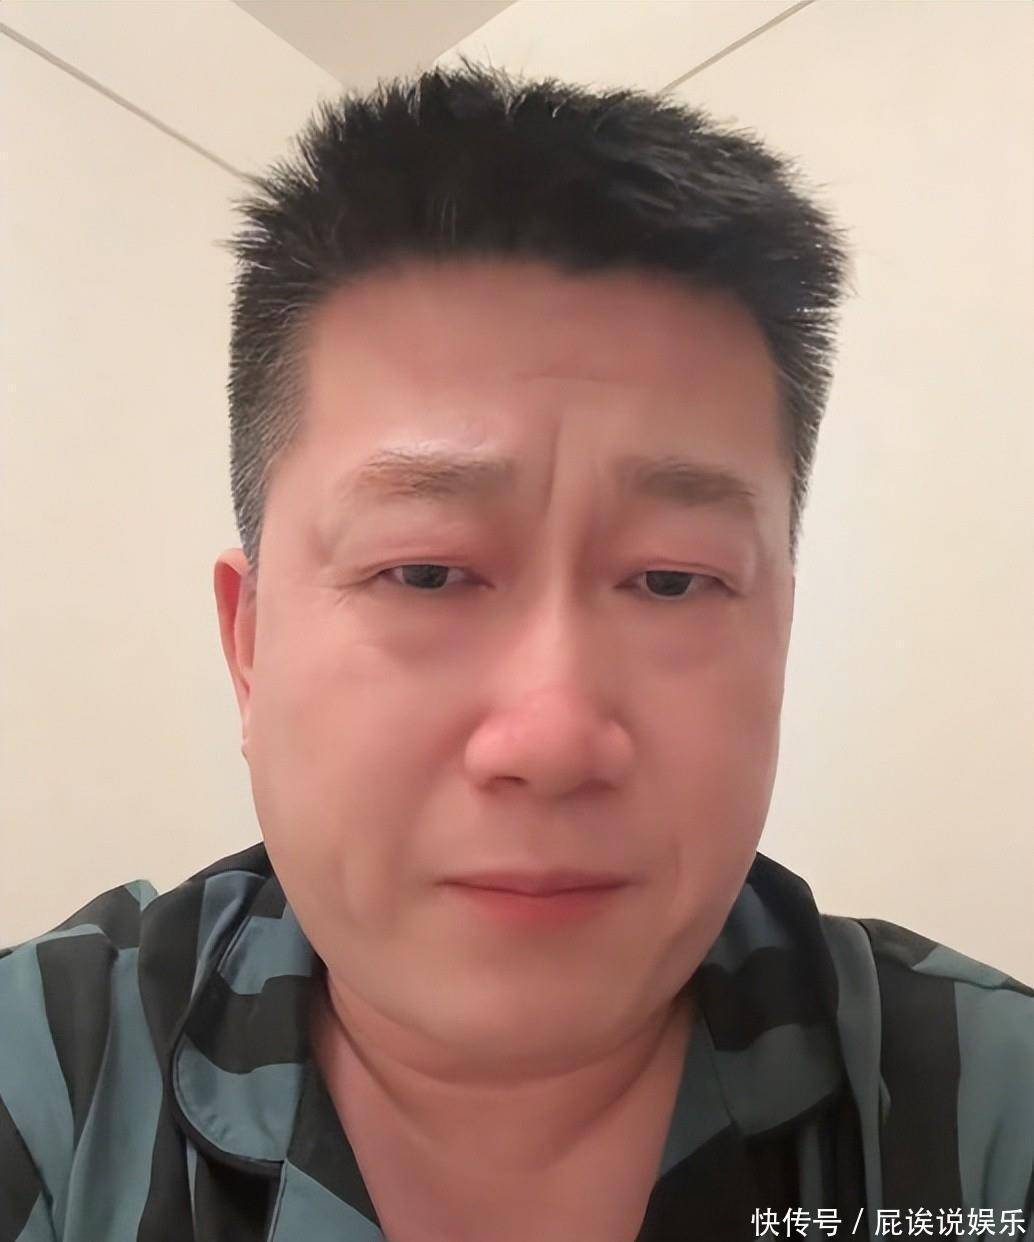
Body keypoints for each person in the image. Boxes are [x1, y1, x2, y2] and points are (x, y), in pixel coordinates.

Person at [1, 60, 1030, 1242]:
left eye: (670, 580)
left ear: (778, 641)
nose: (551, 737)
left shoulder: (979, 1115)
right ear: (249, 646)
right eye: (425, 572)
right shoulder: (52, 1089)